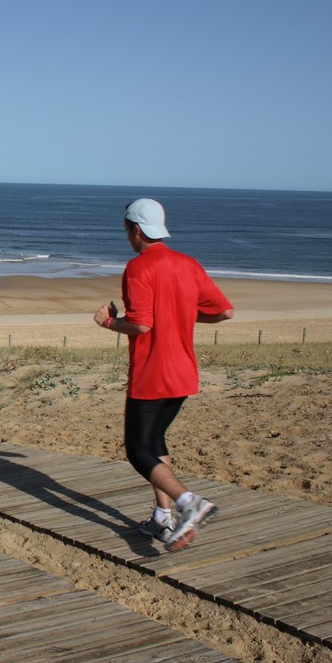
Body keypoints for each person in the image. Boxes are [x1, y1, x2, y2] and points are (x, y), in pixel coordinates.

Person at [94, 198, 234, 553]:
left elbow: (140, 324)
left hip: (152, 373)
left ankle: (190, 503)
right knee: (156, 443)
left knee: (138, 451)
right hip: (183, 373)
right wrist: (182, 314)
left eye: (126, 229)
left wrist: (108, 321)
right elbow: (224, 312)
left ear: (135, 230)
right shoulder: (188, 264)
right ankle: (162, 516)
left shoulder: (139, 267)